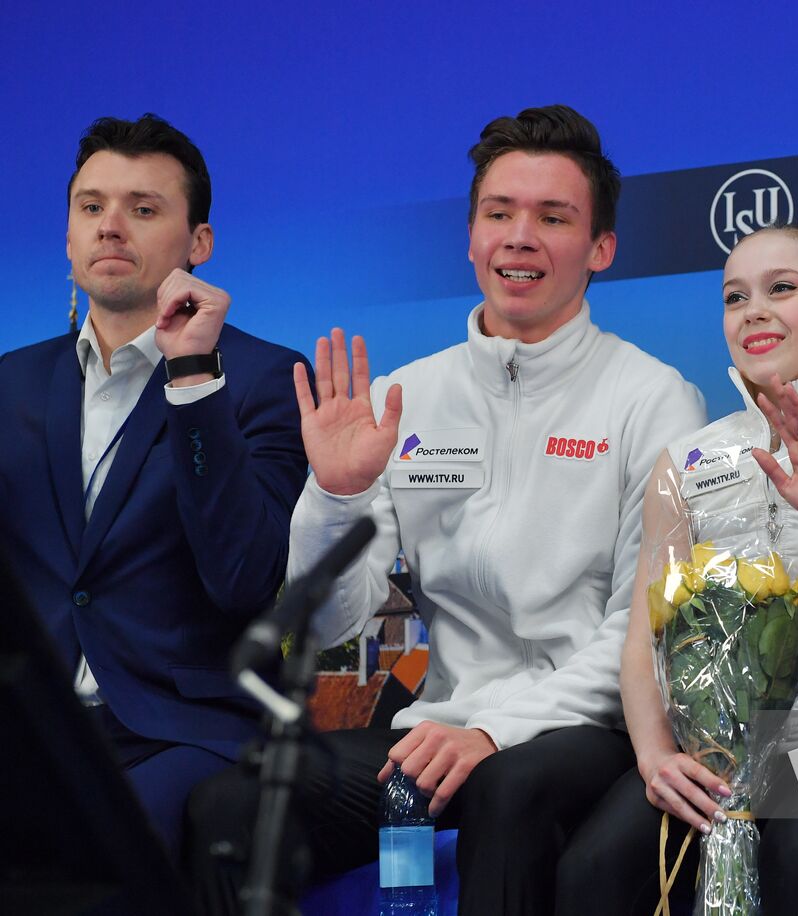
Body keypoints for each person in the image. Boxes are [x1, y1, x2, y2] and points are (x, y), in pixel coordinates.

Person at [185, 104, 706, 915]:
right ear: (469, 237)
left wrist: (495, 728)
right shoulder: (406, 396)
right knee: (228, 810)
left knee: (510, 788)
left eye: (553, 217)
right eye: (499, 213)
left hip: (584, 728)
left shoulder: (655, 399)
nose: (519, 236)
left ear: (601, 249)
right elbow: (326, 628)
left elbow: (641, 631)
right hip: (435, 729)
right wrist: (337, 491)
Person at [559, 224, 798, 915]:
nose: (754, 310)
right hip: (715, 751)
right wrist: (655, 756)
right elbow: (648, 631)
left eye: (782, 289)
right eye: (734, 296)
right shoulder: (685, 463)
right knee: (595, 867)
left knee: (795, 855)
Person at [0, 114, 310, 851]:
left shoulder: (267, 380)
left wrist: (193, 380)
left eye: (143, 209)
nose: (111, 227)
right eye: (92, 207)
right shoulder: (11, 383)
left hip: (183, 730)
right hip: (32, 730)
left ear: (198, 243)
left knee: (97, 847)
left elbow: (243, 577)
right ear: (69, 236)